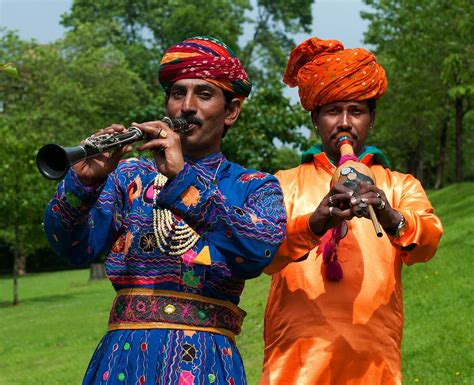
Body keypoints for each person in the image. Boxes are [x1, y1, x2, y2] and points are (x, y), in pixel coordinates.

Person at [43, 36, 286, 385]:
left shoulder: (254, 185)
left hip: (207, 364)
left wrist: (183, 178)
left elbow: (259, 250)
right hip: (123, 360)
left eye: (204, 94)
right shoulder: (128, 175)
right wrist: (83, 184)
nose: (187, 106)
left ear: (231, 111)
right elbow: (72, 247)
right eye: (177, 93)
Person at [259, 37, 443, 385]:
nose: (344, 123)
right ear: (315, 119)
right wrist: (314, 224)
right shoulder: (283, 184)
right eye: (332, 111)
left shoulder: (399, 184)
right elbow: (262, 256)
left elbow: (428, 243)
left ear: (371, 119)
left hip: (375, 367)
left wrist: (389, 215)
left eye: (356, 111)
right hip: (294, 368)